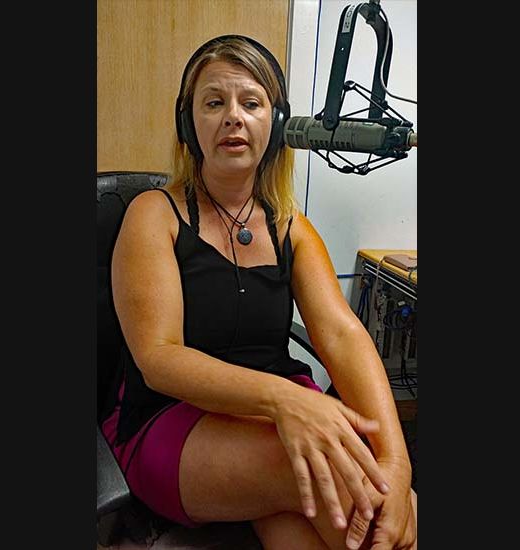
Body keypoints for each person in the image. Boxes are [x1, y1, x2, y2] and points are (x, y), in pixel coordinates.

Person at [102, 35, 417, 550]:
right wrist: (286, 401)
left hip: (278, 415)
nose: (233, 117)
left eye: (251, 103)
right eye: (214, 103)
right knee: (348, 484)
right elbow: (159, 358)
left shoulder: (291, 226)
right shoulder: (153, 215)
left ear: (276, 122)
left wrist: (398, 463)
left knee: (374, 497)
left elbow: (342, 335)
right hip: (171, 418)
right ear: (188, 124)